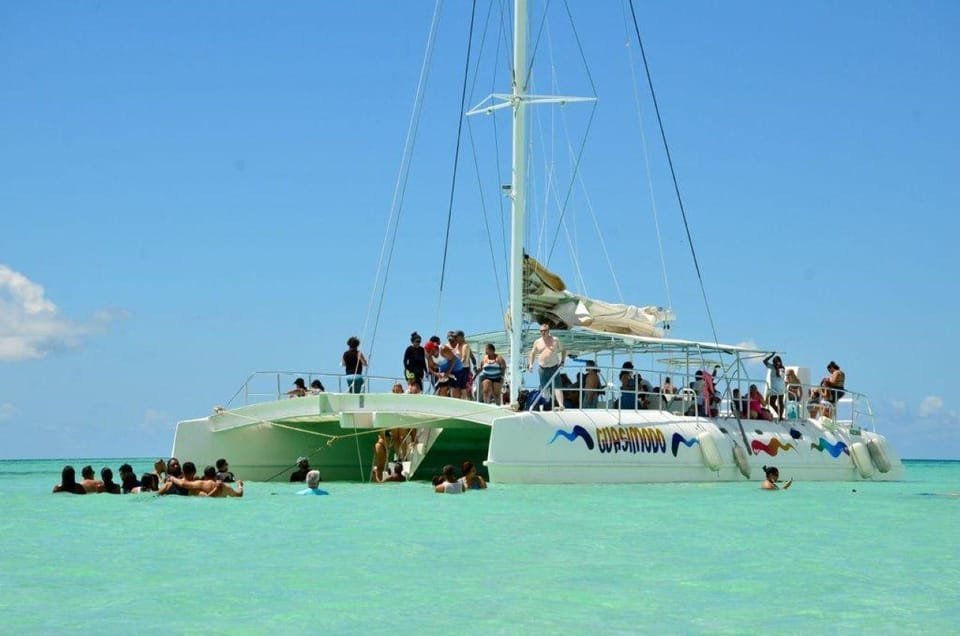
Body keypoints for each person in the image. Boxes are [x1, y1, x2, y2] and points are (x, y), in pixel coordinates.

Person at [528, 323, 565, 399]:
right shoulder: (537, 342)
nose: (543, 332)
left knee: (557, 387)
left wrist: (562, 361)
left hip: (554, 367)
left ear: (548, 331)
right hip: (542, 368)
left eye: (544, 330)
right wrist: (531, 364)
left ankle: (561, 405)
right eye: (541, 331)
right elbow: (532, 353)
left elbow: (563, 350)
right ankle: (546, 404)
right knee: (544, 388)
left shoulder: (555, 340)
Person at [764, 353, 786, 421]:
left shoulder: (782, 368)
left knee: (780, 402)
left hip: (780, 388)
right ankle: (779, 415)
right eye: (775, 362)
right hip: (774, 388)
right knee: (772, 402)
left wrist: (777, 368)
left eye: (777, 361)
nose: (776, 363)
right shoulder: (772, 367)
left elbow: (780, 376)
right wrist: (771, 356)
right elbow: (764, 361)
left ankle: (780, 416)